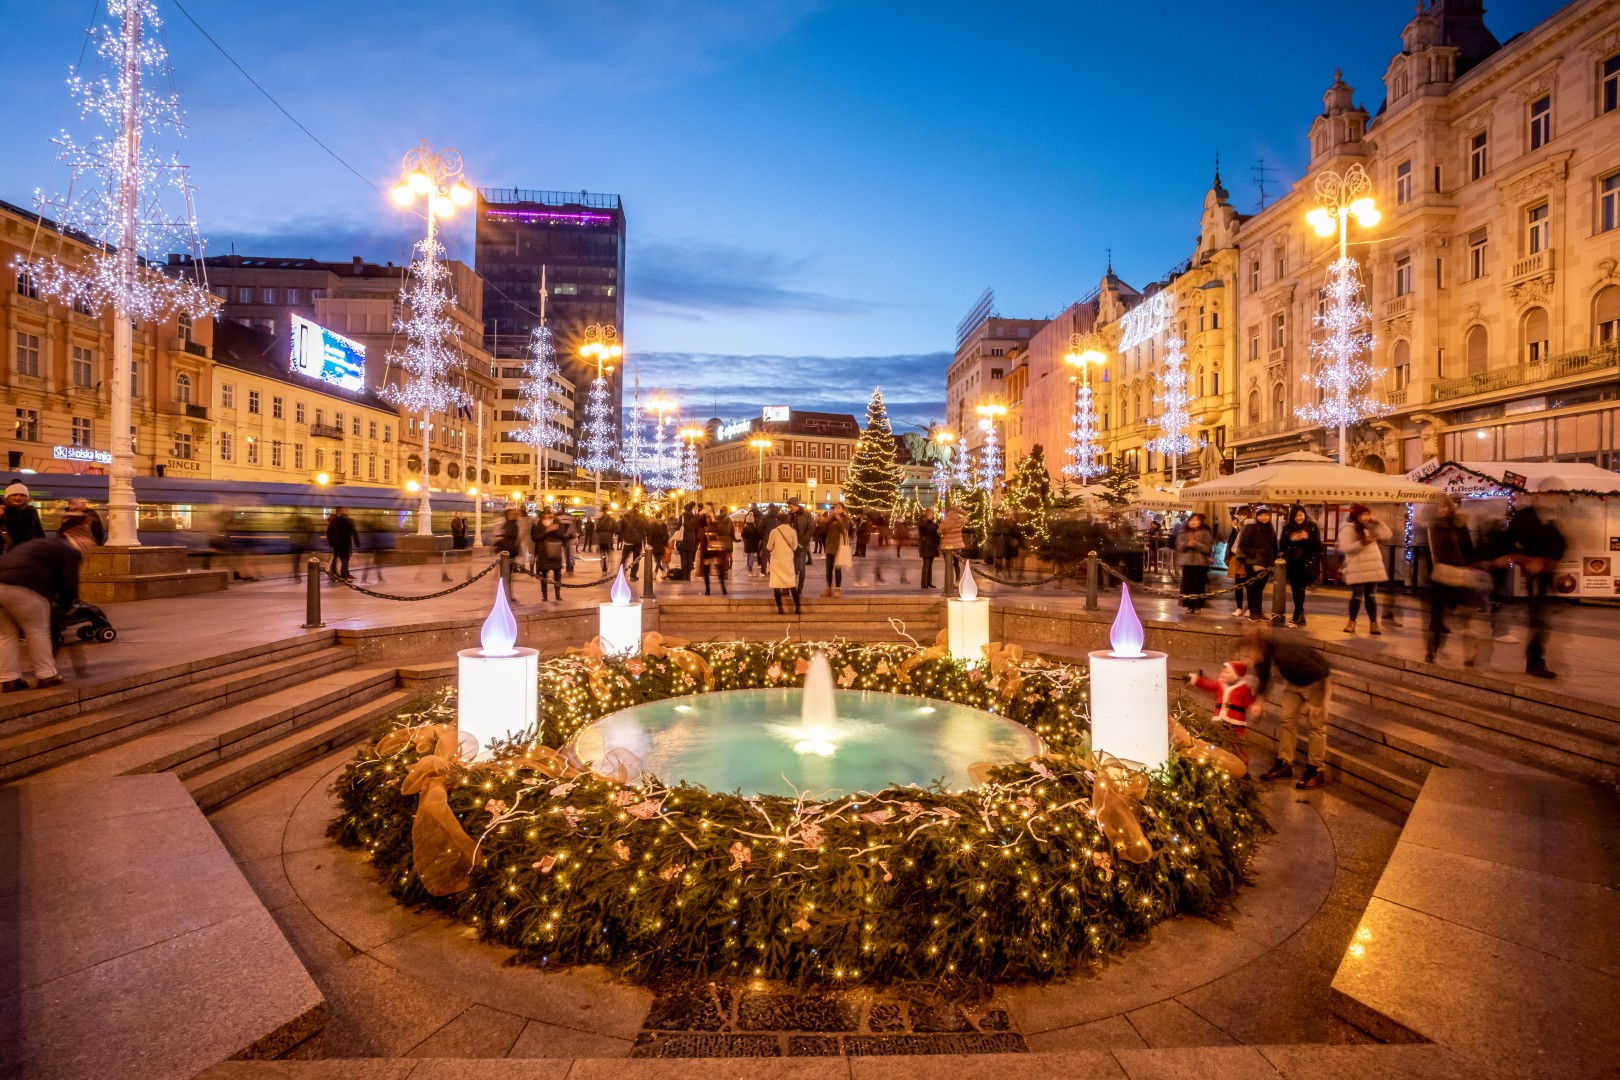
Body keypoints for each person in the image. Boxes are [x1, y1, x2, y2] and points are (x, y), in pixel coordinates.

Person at [0, 513, 95, 691]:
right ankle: (46, 675)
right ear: (78, 538)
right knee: (37, 631)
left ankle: (9, 679)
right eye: (89, 540)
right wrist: (66, 607)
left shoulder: (42, 544)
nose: (90, 545)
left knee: (5, 635)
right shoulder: (69, 550)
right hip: (26, 588)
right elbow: (69, 584)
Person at [1245, 624, 1333, 790]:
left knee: (1316, 724)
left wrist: (1316, 702)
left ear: (1261, 647)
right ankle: (1285, 764)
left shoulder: (1284, 654)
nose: (1250, 657)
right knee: (1287, 720)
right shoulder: (1264, 655)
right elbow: (1264, 676)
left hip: (1317, 680)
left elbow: (1320, 671)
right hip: (1295, 681)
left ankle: (1316, 771)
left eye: (1251, 652)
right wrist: (1260, 700)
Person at [1506, 497, 1564, 679]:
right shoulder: (1525, 517)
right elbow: (1510, 543)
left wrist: (1547, 560)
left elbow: (1559, 545)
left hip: (1546, 573)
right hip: (1536, 575)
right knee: (1539, 618)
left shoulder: (1547, 517)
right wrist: (1527, 560)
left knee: (1541, 618)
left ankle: (1536, 659)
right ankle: (1535, 661)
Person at [1423, 495, 1476, 665]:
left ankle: (1469, 654)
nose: (1441, 509)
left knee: (1463, 617)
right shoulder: (1431, 526)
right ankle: (1432, 650)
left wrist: (1468, 569)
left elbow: (1468, 548)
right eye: (1438, 506)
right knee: (1438, 617)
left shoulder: (1458, 524)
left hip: (1459, 574)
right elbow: (1429, 554)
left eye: (1444, 506)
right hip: (1440, 576)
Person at [1184, 658, 1259, 767]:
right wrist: (1194, 679)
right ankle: (1218, 762)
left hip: (1236, 724)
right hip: (1220, 721)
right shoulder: (1219, 685)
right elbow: (1207, 684)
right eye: (1223, 670)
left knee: (1237, 744)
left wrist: (1254, 708)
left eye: (1227, 671)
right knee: (1218, 741)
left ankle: (1242, 765)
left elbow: (1249, 702)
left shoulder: (1244, 689)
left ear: (1236, 675)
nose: (1223, 673)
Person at [1339, 504, 1391, 635]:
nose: (1366, 517)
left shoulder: (1372, 527)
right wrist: (1362, 543)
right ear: (1356, 516)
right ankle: (1351, 622)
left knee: (1371, 596)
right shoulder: (1349, 529)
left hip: (1373, 567)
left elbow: (1387, 535)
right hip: (1358, 567)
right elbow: (1345, 548)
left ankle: (1374, 623)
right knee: (1357, 596)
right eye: (1363, 514)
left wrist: (1378, 522)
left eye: (1367, 514)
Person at [1234, 505, 1278, 621]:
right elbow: (1243, 545)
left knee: (1260, 589)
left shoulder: (1270, 528)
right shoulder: (1250, 527)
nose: (1264, 517)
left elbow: (1274, 545)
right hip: (1253, 562)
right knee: (1253, 588)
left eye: (1266, 515)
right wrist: (1253, 554)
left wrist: (1274, 558)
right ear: (1257, 516)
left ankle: (1259, 612)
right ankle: (1253, 612)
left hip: (1266, 562)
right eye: (1261, 515)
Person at [1280, 505, 1321, 628]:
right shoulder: (1288, 528)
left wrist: (1307, 538)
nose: (1299, 518)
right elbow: (1282, 545)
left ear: (1304, 514)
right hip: (1293, 563)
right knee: (1295, 589)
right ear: (1292, 517)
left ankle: (1298, 615)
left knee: (1300, 589)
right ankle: (1299, 615)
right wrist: (1292, 538)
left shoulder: (1312, 527)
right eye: (1296, 515)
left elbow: (1318, 546)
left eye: (1300, 514)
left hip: (1306, 563)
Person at [1174, 512, 1214, 613]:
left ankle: (1198, 606)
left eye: (1196, 520)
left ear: (1201, 522)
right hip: (1187, 562)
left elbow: (1208, 548)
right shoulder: (1183, 533)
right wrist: (1186, 544)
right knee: (1187, 586)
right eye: (1192, 520)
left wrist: (1197, 544)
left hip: (1200, 563)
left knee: (1198, 585)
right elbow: (1178, 546)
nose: (1194, 522)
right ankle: (1189, 606)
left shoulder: (1205, 533)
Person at [766, 511, 800, 614]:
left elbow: (769, 547)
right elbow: (794, 547)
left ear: (778, 521)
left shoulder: (774, 531)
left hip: (776, 561)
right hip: (788, 561)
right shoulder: (792, 531)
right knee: (791, 584)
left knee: (777, 585)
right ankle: (798, 608)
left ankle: (780, 608)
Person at [1225, 507, 1255, 617]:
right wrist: (1235, 529)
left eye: (1245, 514)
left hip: (1247, 559)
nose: (1242, 516)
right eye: (1241, 514)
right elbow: (1231, 544)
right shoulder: (1235, 528)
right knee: (1238, 585)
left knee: (1249, 585)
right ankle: (1239, 607)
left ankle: (1250, 608)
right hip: (1237, 558)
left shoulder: (1251, 528)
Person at [2, 482, 46, 552]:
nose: (18, 498)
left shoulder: (31, 511)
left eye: (22, 495)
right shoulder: (2, 511)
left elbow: (39, 532)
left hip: (29, 551)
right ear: (7, 497)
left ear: (26, 498)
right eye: (14, 495)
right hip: (8, 552)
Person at [532, 512, 565, 601]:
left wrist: (555, 529)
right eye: (547, 514)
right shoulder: (537, 524)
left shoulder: (558, 523)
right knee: (544, 574)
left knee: (557, 573)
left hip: (555, 550)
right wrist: (546, 531)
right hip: (543, 552)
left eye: (550, 515)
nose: (549, 516)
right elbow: (535, 538)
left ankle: (558, 594)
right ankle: (544, 595)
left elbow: (562, 536)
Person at [822, 503, 851, 598]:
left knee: (837, 570)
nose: (836, 509)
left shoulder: (845, 519)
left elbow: (844, 530)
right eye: (835, 508)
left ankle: (838, 589)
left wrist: (839, 518)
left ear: (843, 509)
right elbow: (823, 531)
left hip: (839, 547)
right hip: (829, 547)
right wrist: (825, 521)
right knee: (828, 570)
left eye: (838, 507)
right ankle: (828, 588)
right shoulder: (830, 519)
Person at [698, 512, 731, 596]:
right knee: (706, 571)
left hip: (715, 550)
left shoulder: (716, 524)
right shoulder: (702, 527)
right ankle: (707, 589)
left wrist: (713, 520)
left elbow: (723, 531)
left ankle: (723, 588)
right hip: (706, 551)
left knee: (719, 570)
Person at [939, 503, 967, 589]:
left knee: (948, 564)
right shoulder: (960, 520)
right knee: (956, 563)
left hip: (947, 544)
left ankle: (948, 582)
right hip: (957, 544)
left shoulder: (946, 520)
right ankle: (957, 581)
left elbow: (939, 531)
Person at [325, 507, 357, 580]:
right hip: (343, 545)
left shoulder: (334, 521)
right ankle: (343, 576)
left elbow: (329, 533)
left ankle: (336, 575)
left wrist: (331, 543)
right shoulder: (340, 521)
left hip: (336, 544)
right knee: (343, 561)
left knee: (336, 560)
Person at [916, 508, 941, 589]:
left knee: (930, 565)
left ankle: (929, 582)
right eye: (931, 514)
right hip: (925, 546)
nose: (933, 516)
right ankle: (923, 583)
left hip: (932, 546)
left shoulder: (931, 523)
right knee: (926, 565)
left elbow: (935, 532)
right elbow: (923, 526)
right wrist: (928, 520)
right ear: (927, 515)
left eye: (933, 514)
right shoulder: (922, 522)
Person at [619, 508, 646, 580]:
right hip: (638, 542)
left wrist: (624, 536)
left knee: (624, 558)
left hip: (628, 541)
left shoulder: (625, 517)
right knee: (636, 559)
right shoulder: (641, 518)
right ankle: (633, 575)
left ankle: (621, 574)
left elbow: (621, 528)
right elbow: (644, 529)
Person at [645, 512, 670, 580]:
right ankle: (661, 572)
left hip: (653, 545)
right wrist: (664, 543)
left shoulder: (651, 525)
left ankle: (657, 573)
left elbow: (648, 535)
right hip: (661, 544)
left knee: (657, 560)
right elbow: (666, 536)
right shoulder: (664, 525)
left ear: (655, 517)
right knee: (658, 560)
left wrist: (649, 543)